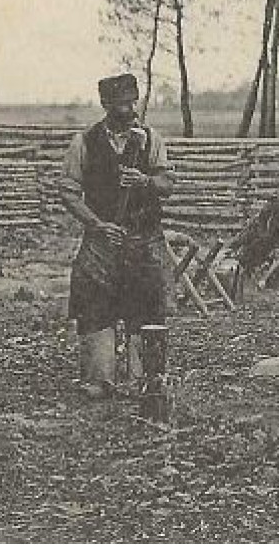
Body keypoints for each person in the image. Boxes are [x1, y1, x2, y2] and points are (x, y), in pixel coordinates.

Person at [60, 73, 174, 398]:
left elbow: (168, 184)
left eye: (132, 103)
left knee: (148, 307)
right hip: (102, 242)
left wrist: (146, 182)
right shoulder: (84, 142)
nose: (129, 111)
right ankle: (100, 378)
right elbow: (67, 191)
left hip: (144, 240)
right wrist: (96, 224)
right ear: (105, 105)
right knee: (94, 307)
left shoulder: (151, 140)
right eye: (121, 105)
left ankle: (148, 379)